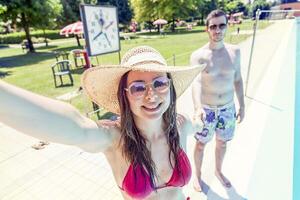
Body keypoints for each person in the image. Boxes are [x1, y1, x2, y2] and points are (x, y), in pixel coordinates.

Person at [0, 46, 204, 200]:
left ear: (170, 88)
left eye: (159, 83)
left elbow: (198, 125)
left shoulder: (180, 125)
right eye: (138, 87)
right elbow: (76, 126)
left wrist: (201, 120)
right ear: (125, 96)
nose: (151, 96)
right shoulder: (113, 138)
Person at [190, 10, 245, 191]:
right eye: (213, 26)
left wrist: (242, 105)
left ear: (227, 26)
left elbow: (237, 79)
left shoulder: (235, 52)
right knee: (200, 144)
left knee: (222, 143)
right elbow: (196, 83)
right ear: (207, 29)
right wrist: (198, 108)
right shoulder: (198, 56)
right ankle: (197, 176)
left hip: (228, 109)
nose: (217, 30)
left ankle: (218, 171)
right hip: (207, 110)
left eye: (221, 25)